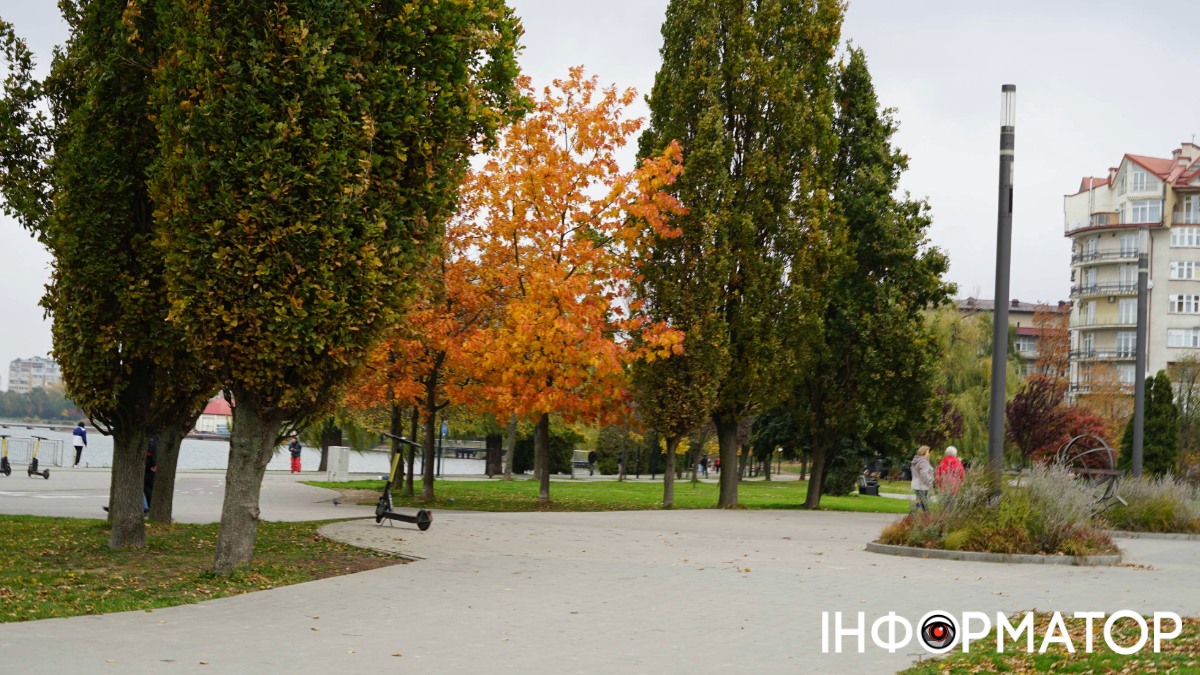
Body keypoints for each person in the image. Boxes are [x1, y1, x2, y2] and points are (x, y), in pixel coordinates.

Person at [935, 446, 966, 510]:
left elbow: (937, 476)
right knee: (952, 503)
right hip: (955, 486)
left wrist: (940, 482)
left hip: (944, 486)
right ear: (955, 454)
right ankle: (950, 516)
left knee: (945, 503)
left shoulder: (942, 463)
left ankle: (945, 515)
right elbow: (962, 476)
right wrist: (959, 482)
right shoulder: (958, 463)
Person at [910, 446, 935, 514]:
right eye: (928, 452)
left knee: (920, 500)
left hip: (916, 484)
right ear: (923, 453)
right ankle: (913, 515)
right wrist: (930, 481)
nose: (929, 454)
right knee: (922, 501)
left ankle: (922, 515)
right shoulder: (923, 462)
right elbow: (924, 475)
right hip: (921, 486)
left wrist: (928, 462)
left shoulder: (916, 461)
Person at [144, 436, 157, 514]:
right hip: (149, 463)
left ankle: (149, 506)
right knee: (148, 486)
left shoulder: (152, 437)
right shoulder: (155, 437)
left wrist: (153, 463)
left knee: (146, 486)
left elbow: (152, 450)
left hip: (148, 465)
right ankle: (148, 506)